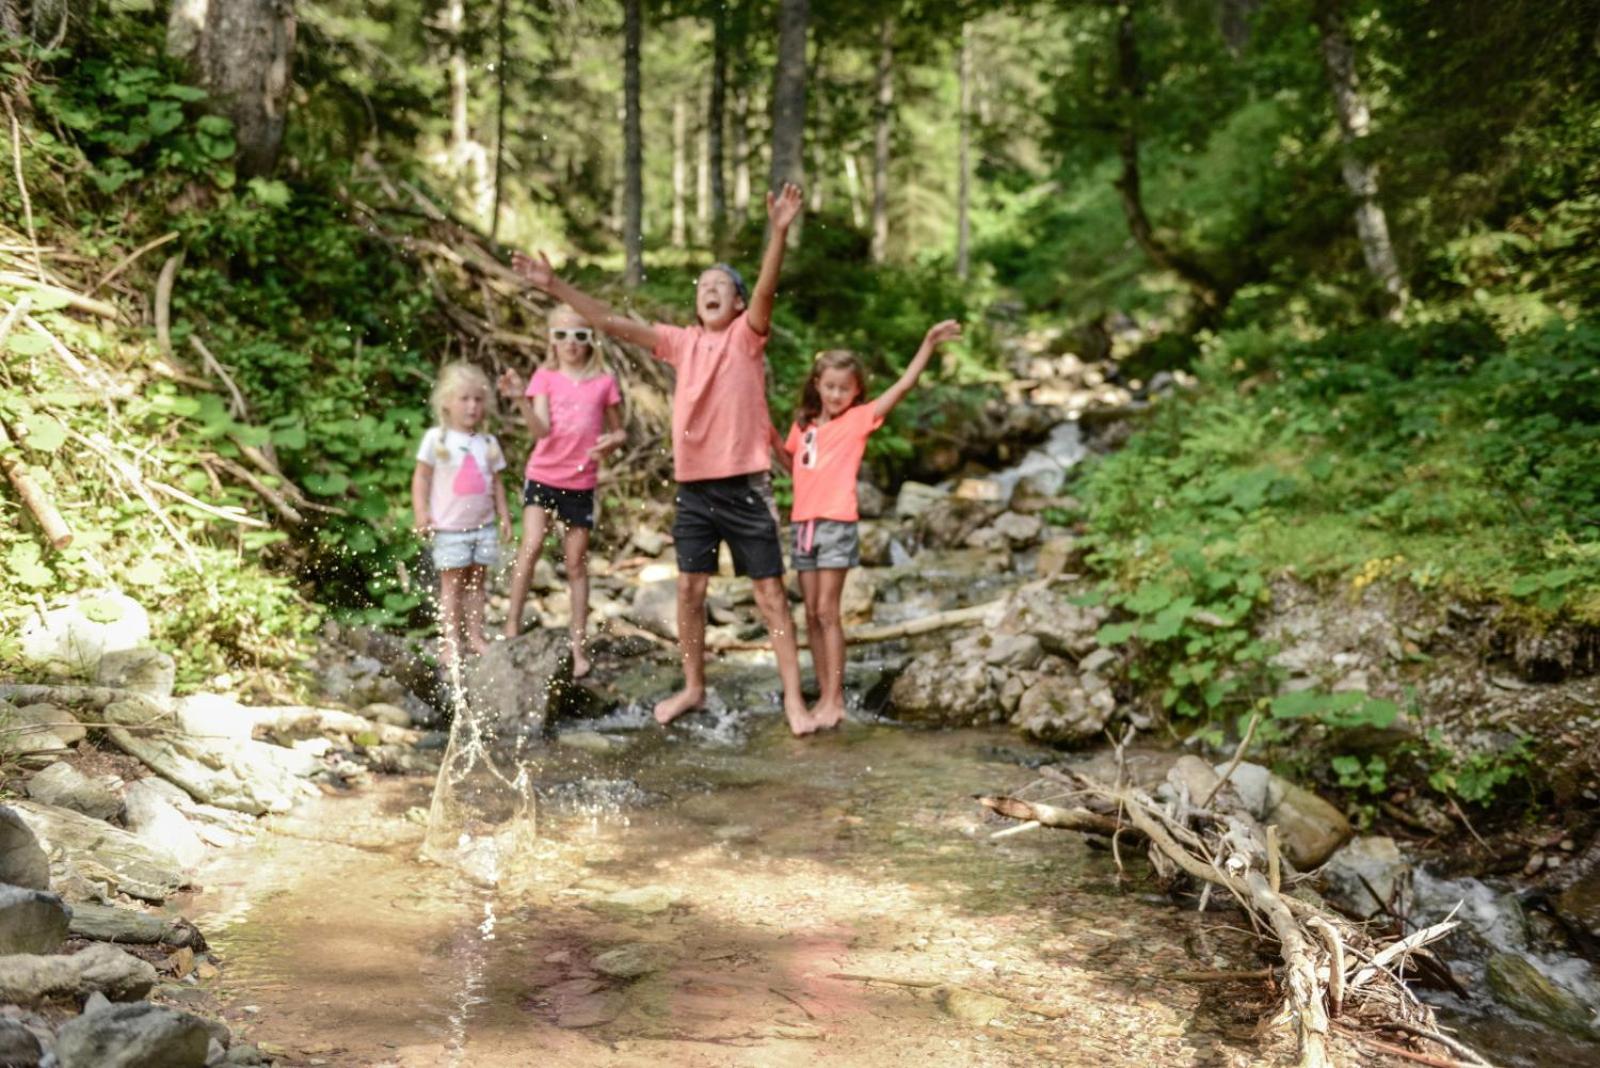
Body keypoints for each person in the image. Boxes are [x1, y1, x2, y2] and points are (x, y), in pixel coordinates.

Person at [512, 183, 815, 734]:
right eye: (704, 286)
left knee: (770, 594)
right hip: (695, 488)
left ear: (739, 303)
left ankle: (794, 699)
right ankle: (694, 688)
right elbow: (610, 322)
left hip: (746, 485)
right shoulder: (679, 342)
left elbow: (767, 289)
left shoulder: (747, 337)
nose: (710, 290)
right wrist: (555, 285)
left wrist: (778, 233)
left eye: (722, 286)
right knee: (689, 590)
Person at [781, 320, 962, 728]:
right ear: (817, 385)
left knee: (827, 611)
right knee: (810, 614)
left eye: (844, 389)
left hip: (836, 524)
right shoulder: (804, 426)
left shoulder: (859, 419)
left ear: (857, 391)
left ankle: (834, 700)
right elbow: (790, 461)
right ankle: (824, 693)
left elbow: (903, 386)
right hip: (803, 525)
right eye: (830, 386)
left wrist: (928, 343)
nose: (836, 395)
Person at [495, 305, 625, 678]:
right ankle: (511, 625)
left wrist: (612, 442)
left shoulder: (603, 382)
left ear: (591, 340)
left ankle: (578, 646)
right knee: (532, 544)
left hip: (580, 482)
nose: (571, 343)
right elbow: (540, 431)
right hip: (543, 474)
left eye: (580, 335)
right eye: (562, 335)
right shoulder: (545, 377)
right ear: (552, 340)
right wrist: (520, 399)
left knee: (575, 563)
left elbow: (619, 431)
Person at [412, 361, 513, 667]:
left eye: (478, 399)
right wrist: (421, 513)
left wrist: (505, 516)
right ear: (446, 402)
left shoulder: (487, 443)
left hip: (483, 527)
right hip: (449, 529)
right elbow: (421, 478)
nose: (472, 406)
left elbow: (497, 483)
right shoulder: (436, 439)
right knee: (452, 586)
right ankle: (451, 641)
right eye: (464, 399)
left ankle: (475, 636)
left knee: (477, 584)